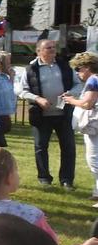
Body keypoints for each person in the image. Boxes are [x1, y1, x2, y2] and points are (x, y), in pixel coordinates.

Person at [18, 39, 81, 187]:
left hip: (63, 114)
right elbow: (21, 90)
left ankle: (66, 180)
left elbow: (79, 83)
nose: (53, 50)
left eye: (54, 47)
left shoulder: (64, 66)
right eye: (48, 48)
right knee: (40, 147)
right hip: (41, 115)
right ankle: (44, 178)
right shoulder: (31, 69)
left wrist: (70, 94)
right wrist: (37, 98)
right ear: (39, 51)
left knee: (69, 147)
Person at [63, 52, 98, 205]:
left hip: (95, 127)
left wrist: (71, 100)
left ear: (87, 67)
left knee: (94, 160)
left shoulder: (93, 80)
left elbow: (87, 104)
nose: (77, 73)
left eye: (78, 69)